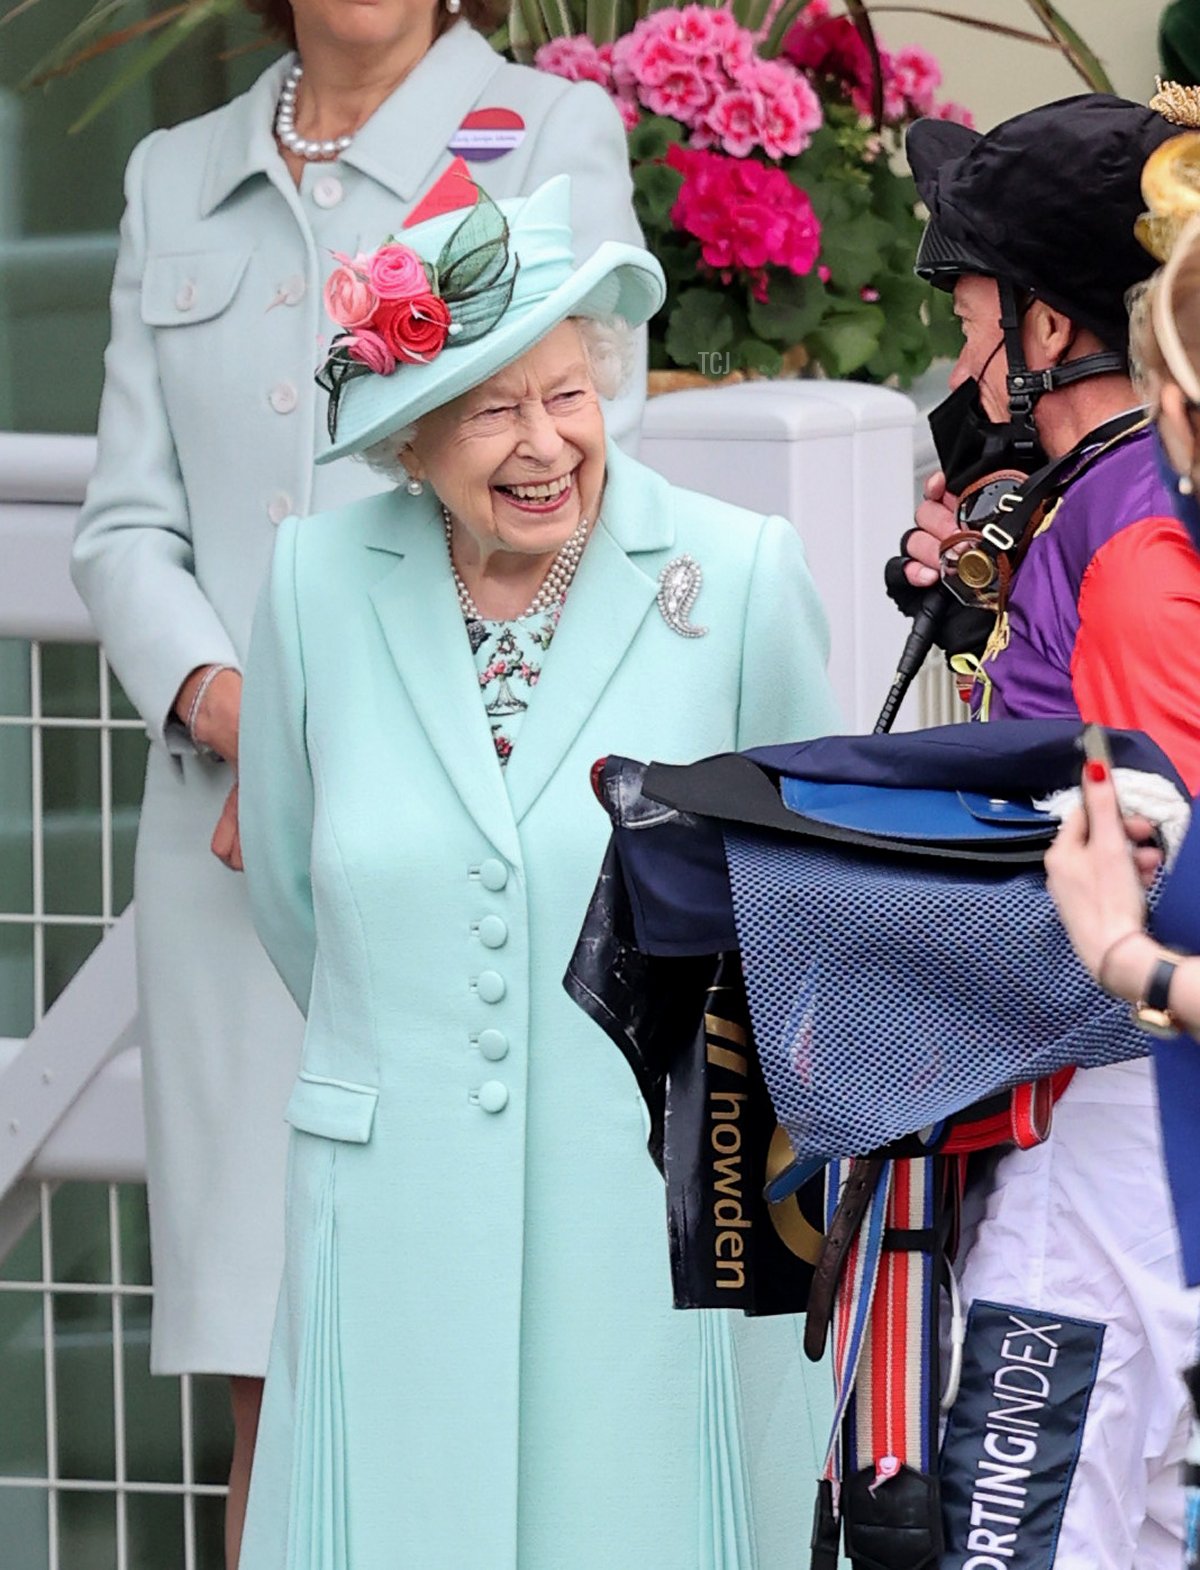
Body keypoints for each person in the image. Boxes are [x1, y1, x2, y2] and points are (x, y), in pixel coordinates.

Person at [68, 1, 643, 1560]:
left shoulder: (538, 136)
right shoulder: (172, 175)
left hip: (467, 831)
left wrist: (362, 729)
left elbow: (574, 485)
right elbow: (126, 527)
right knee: (271, 1341)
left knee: (482, 1318)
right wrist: (247, 710)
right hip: (234, 844)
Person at [234, 173, 839, 1569]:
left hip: (665, 1212)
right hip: (392, 1213)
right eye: (496, 408)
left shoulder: (736, 578)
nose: (545, 443)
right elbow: (293, 892)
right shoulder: (314, 587)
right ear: (413, 437)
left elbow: (808, 907)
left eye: (568, 393)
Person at [889, 95, 1200, 1568]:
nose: (959, 366)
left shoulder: (1139, 551)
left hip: (1112, 1109)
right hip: (1093, 1093)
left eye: (971, 323)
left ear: (1055, 326)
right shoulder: (1105, 500)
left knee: (1031, 1533)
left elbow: (1163, 870)